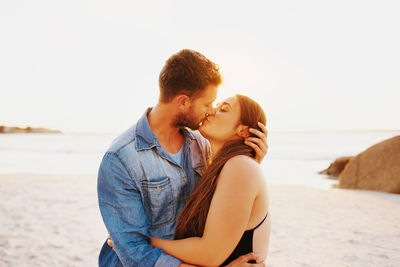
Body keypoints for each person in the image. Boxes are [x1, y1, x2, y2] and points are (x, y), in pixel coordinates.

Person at [97, 49, 268, 266]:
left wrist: (249, 160)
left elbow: (226, 201)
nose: (211, 111)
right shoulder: (121, 159)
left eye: (219, 106)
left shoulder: (201, 146)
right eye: (208, 104)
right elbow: (136, 255)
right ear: (183, 102)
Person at [150, 94, 270, 266]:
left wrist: (144, 241)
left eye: (223, 109)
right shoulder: (218, 171)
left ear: (243, 130)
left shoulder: (240, 167)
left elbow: (209, 254)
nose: (212, 111)